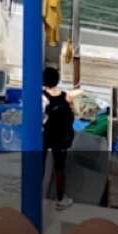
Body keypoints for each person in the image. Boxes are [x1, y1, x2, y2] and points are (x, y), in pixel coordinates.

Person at [43, 64, 75, 210]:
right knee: (60, 168)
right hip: (61, 138)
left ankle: (36, 194)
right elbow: (72, 116)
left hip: (45, 135)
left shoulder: (42, 98)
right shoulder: (66, 97)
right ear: (57, 80)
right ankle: (61, 199)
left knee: (40, 164)